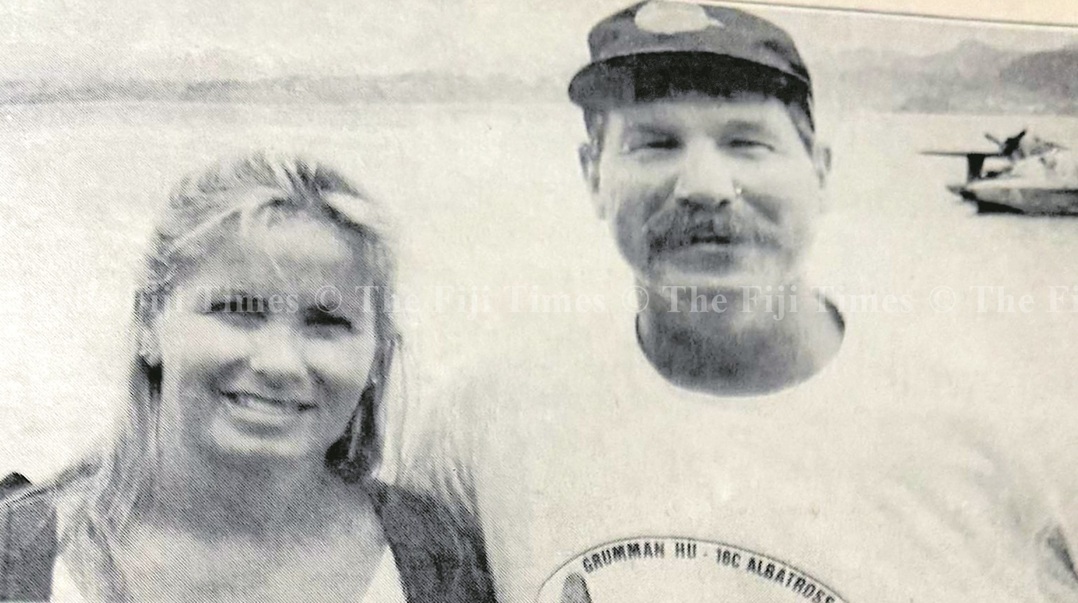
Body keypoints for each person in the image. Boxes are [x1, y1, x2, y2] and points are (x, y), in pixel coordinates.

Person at [406, 2, 1078, 601]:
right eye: (654, 143)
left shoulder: (1013, 434)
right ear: (592, 175)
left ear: (819, 171)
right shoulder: (488, 423)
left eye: (747, 142)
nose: (704, 185)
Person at [0, 153, 494, 602]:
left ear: (377, 355)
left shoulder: (435, 560)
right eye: (237, 309)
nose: (280, 363)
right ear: (150, 322)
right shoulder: (16, 556)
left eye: (326, 322)